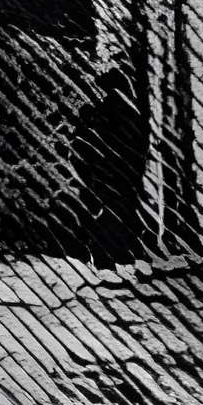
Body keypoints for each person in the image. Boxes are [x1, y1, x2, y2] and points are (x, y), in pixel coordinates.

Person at [71, 67, 148, 269]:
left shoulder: (106, 109)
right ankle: (113, 256)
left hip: (110, 172)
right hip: (121, 172)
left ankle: (108, 257)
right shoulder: (129, 110)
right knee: (119, 214)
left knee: (110, 214)